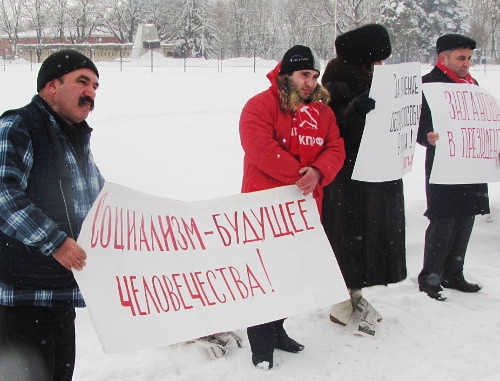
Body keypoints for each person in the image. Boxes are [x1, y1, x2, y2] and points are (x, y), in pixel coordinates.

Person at [0, 50, 104, 380]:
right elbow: (3, 195)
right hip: (22, 297)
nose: (91, 92)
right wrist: (57, 243)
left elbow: (102, 204)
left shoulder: (75, 138)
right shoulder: (18, 127)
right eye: (82, 81)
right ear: (51, 86)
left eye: (96, 86)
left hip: (61, 292)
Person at [239, 45, 345, 369]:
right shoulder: (261, 105)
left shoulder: (323, 112)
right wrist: (302, 175)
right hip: (266, 208)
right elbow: (259, 147)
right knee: (265, 275)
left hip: (304, 209)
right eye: (304, 75)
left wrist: (318, 172)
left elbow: (335, 146)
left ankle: (277, 331)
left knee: (290, 275)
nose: (310, 82)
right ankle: (261, 344)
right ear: (287, 74)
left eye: (314, 75)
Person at [321, 24, 407, 326]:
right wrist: (356, 110)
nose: (380, 66)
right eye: (376, 60)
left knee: (365, 238)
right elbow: (335, 131)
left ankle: (354, 291)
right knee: (347, 238)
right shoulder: (337, 85)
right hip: (349, 179)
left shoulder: (375, 80)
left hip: (374, 174)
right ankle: (340, 299)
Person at [416, 34, 490, 301]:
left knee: (466, 217)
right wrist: (426, 135)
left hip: (471, 162)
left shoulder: (473, 84)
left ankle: (454, 272)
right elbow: (416, 122)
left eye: (469, 58)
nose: (467, 63)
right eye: (461, 57)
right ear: (443, 58)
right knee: (444, 219)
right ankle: (431, 277)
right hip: (444, 164)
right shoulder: (427, 85)